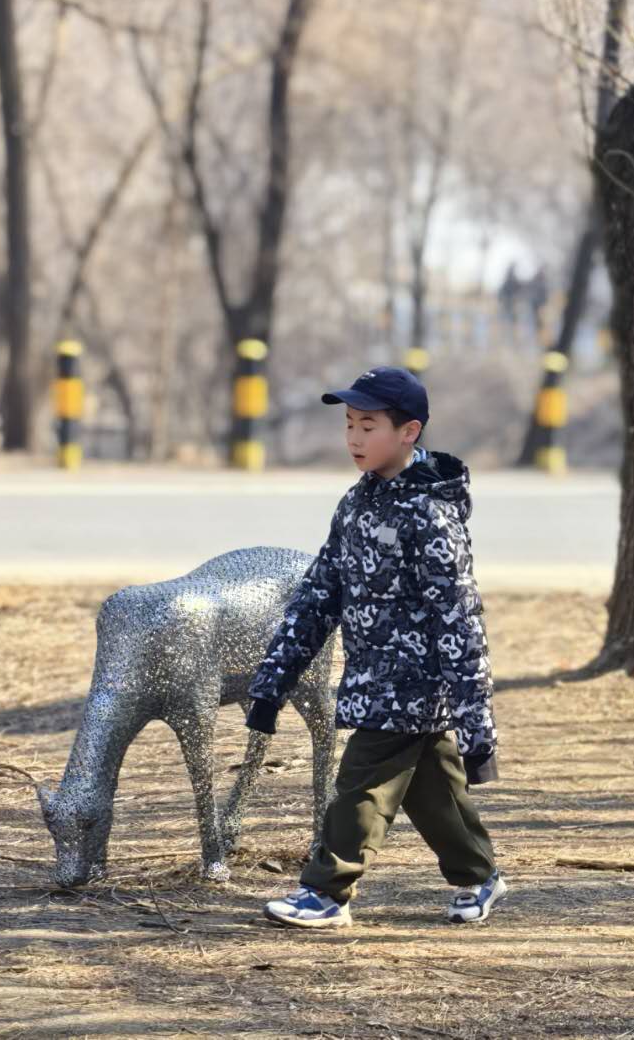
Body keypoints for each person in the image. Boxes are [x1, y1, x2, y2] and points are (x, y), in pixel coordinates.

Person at [244, 366, 505, 929]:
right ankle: (479, 873)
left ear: (409, 432)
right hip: (371, 678)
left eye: (368, 426)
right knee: (432, 790)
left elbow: (460, 620)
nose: (354, 438)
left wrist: (478, 730)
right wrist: (272, 682)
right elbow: (319, 594)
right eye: (349, 424)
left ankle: (326, 891)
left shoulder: (430, 515)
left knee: (362, 785)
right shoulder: (356, 504)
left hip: (415, 684)